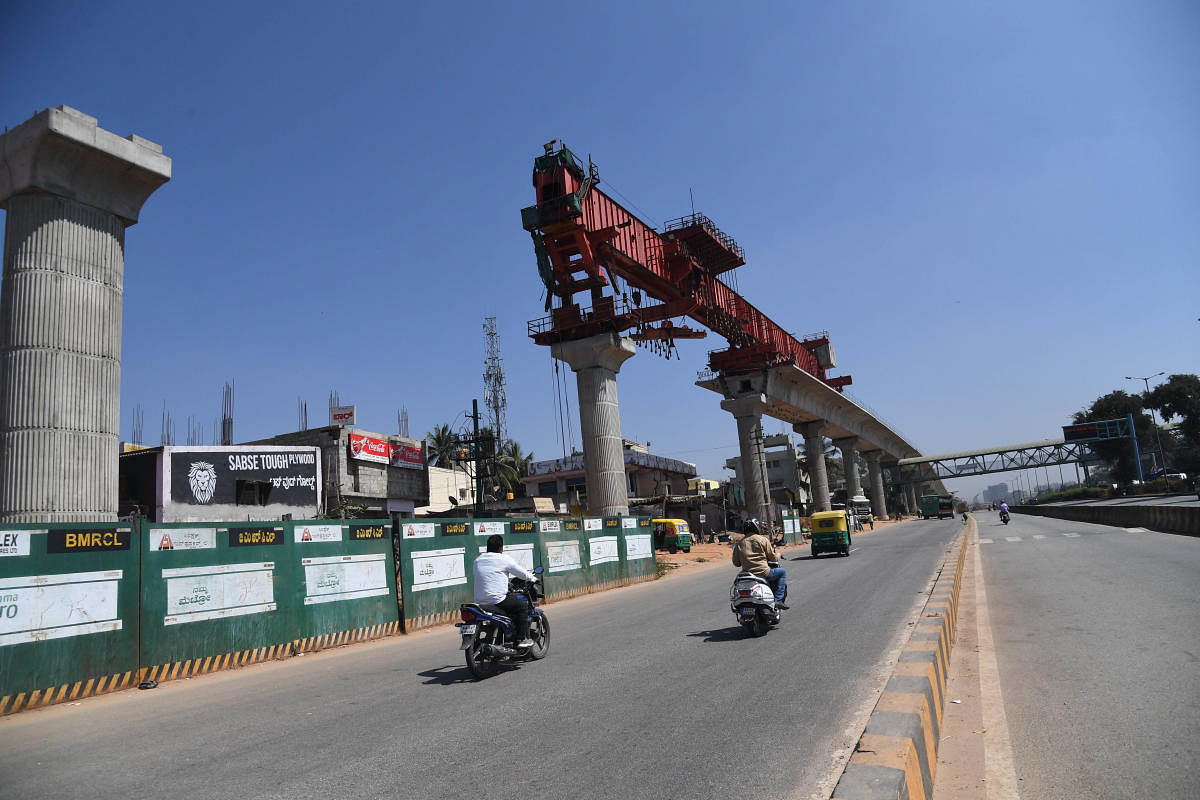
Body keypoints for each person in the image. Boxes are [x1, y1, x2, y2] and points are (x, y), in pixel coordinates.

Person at [473, 534, 536, 647]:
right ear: (501, 548)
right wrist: (533, 578)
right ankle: (521, 639)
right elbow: (520, 572)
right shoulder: (504, 559)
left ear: (487, 547)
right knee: (522, 606)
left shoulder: (478, 560)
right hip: (497, 600)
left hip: (480, 601)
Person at [732, 519, 787, 609]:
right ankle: (778, 600)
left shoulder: (739, 544)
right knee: (782, 572)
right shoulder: (763, 540)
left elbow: (736, 563)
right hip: (764, 573)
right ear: (757, 528)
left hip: (747, 574)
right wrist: (779, 555)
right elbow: (772, 558)